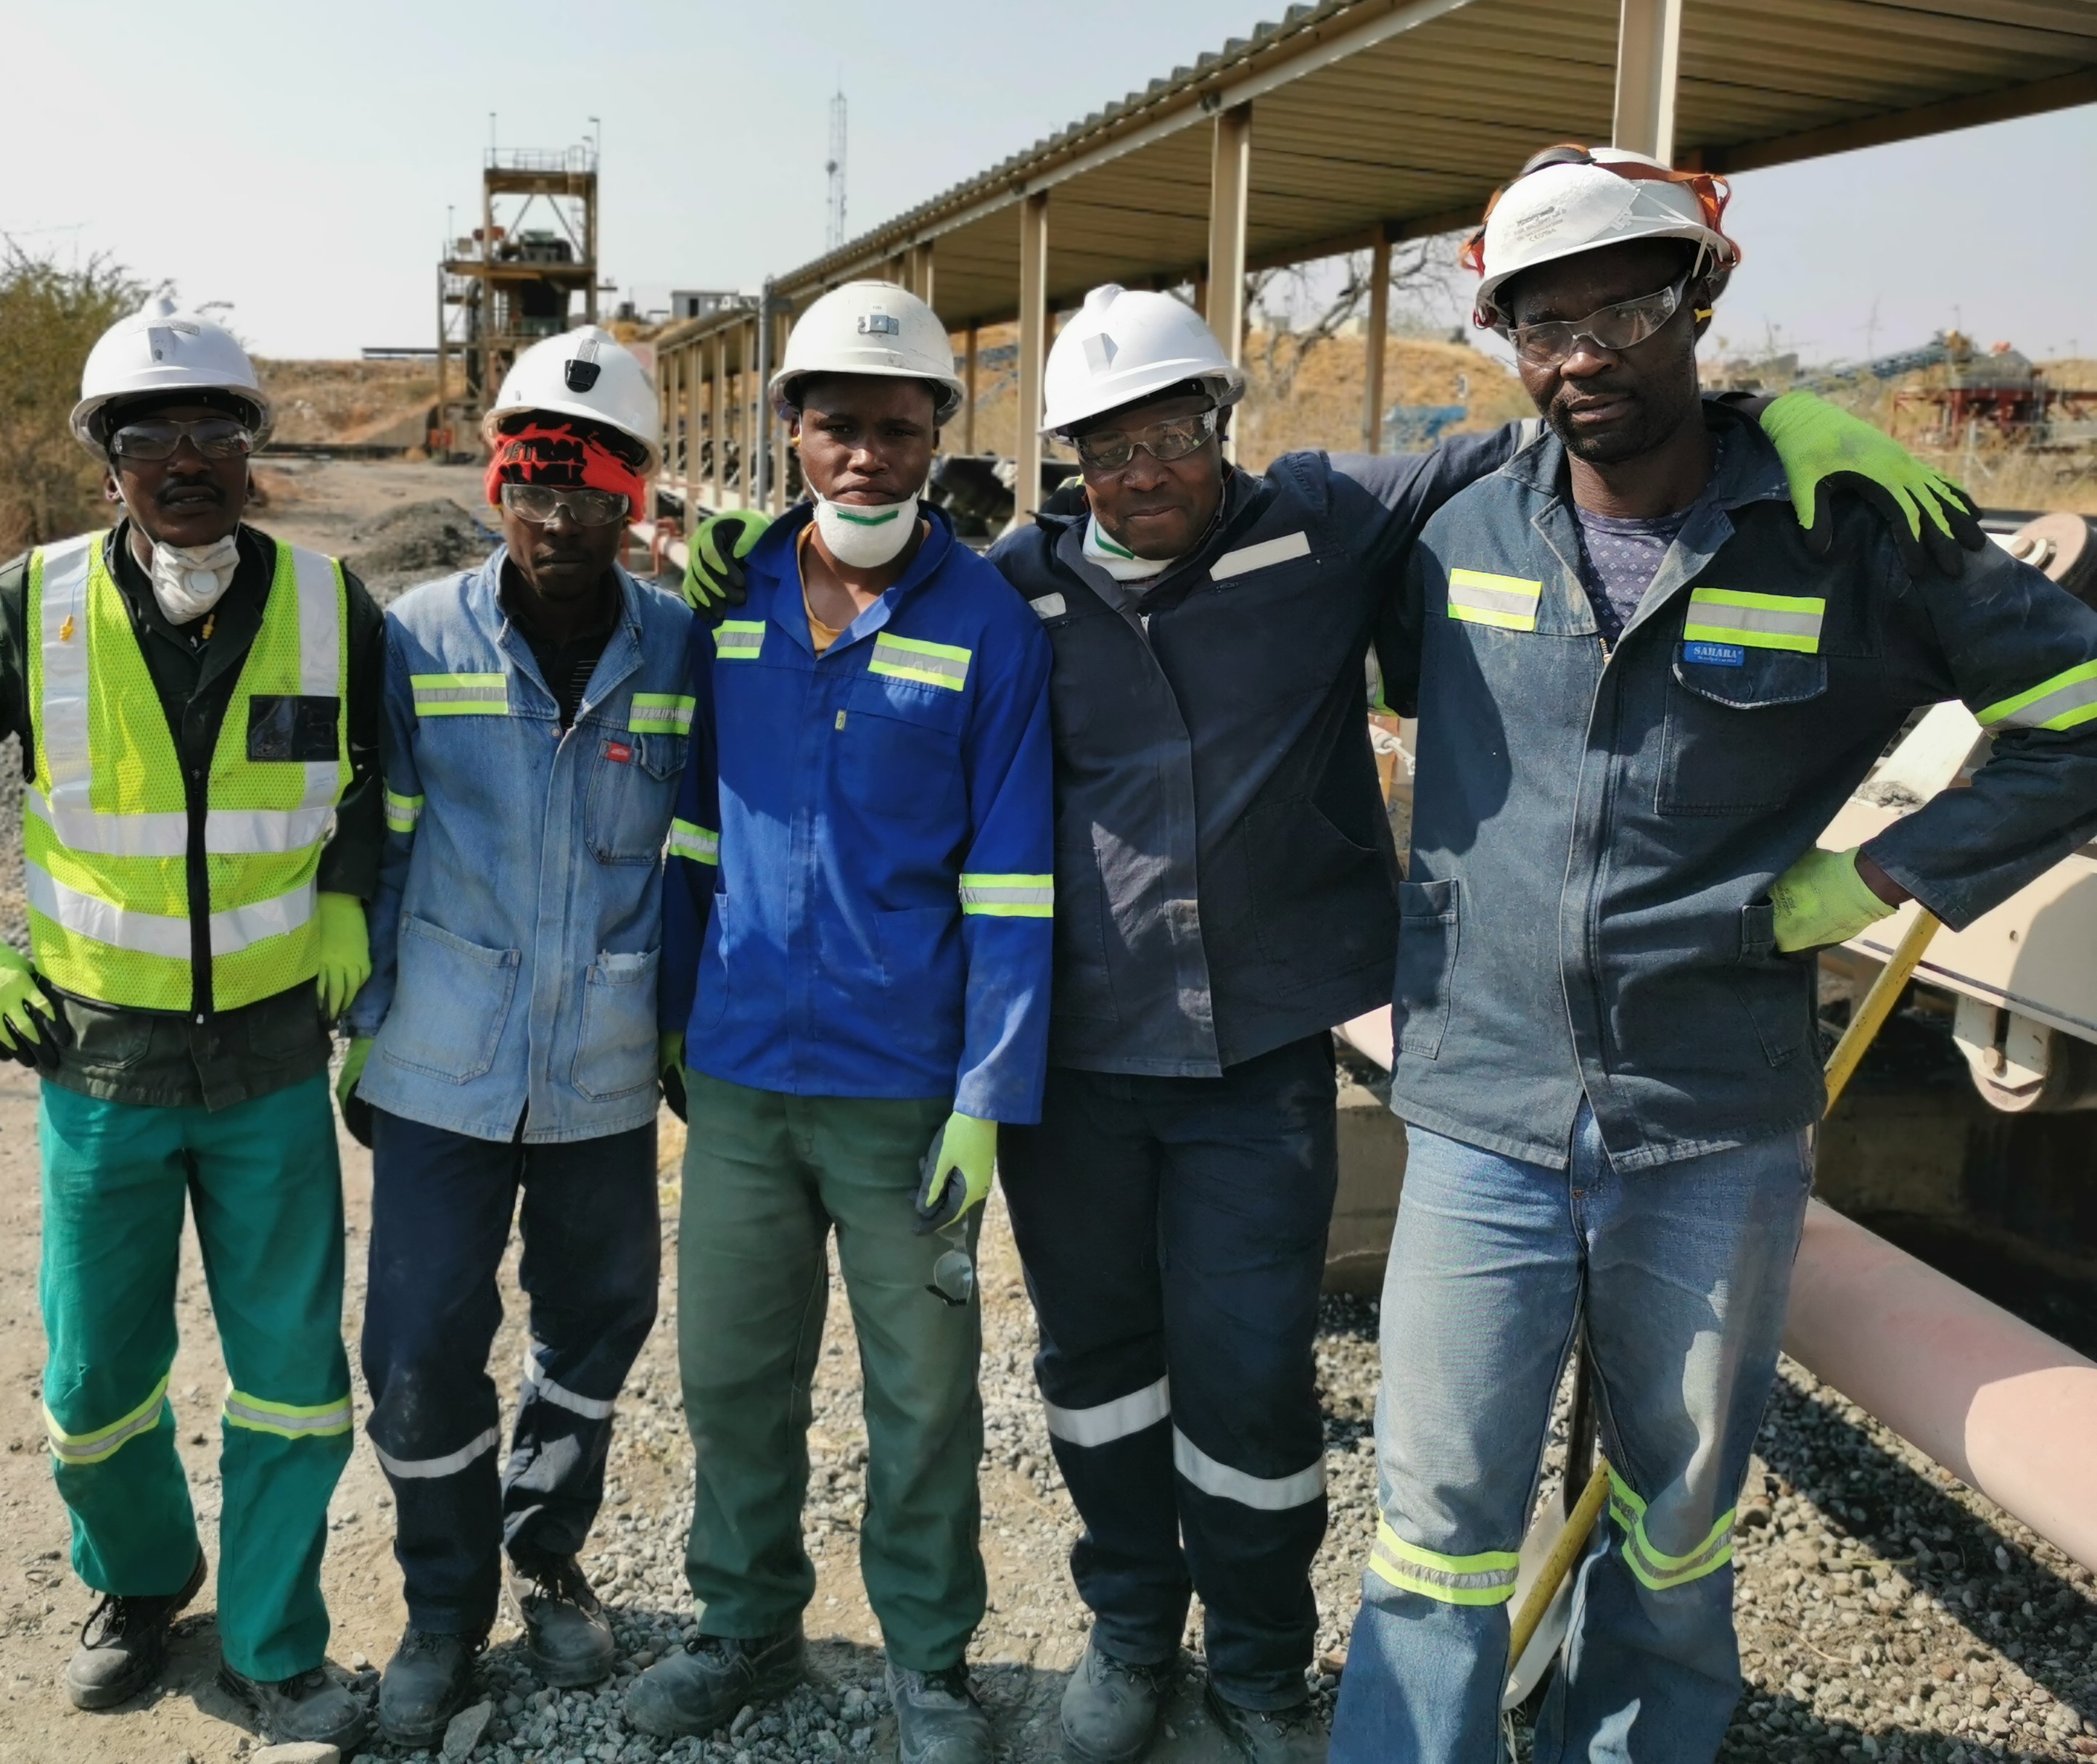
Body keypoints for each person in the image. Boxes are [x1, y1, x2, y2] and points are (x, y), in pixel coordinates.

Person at [690, 268, 1972, 1764]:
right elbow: (855, 596)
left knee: (1246, 1376)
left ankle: (1254, 1661)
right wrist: (752, 546)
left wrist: (1764, 416)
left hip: (1257, 1060)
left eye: (1172, 428)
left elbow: (1554, 425)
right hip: (1077, 1067)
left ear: (1220, 421)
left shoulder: (1322, 525)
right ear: (1065, 462)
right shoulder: (1019, 587)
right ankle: (1125, 1635)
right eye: (1106, 444)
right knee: (1096, 1374)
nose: (1143, 469)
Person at [1331, 147, 2097, 1764]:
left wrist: (1881, 874)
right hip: (1480, 1109)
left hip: (1713, 1121)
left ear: (1700, 301)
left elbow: (2076, 717)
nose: (1585, 353)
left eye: (1622, 307)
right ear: (1509, 343)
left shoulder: (1850, 529)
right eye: (1543, 323)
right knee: (1433, 1528)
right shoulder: (1459, 519)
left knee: (1678, 1526)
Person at [0, 296, 382, 1748]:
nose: (186, 459)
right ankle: (141, 1582)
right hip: (99, 1060)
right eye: (147, 433)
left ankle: (279, 1643)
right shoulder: (26, 607)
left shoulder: (333, 608)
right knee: (97, 1373)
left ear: (253, 450)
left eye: (215, 429)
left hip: (277, 1062)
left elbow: (380, 788)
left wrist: (348, 892)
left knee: (292, 1379)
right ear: (105, 456)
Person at [625, 281, 1055, 1764]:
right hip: (741, 1079)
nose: (864, 455)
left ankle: (929, 1663)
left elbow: (1012, 876)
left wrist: (989, 1090)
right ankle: (743, 1623)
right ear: (790, 432)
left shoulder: (989, 624)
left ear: (938, 432)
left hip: (907, 1093)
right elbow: (687, 824)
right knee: (732, 1375)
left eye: (895, 426)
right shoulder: (727, 602)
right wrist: (676, 1019)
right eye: (835, 426)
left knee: (926, 1396)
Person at [339, 327, 692, 1749]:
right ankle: (442, 1603)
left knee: (598, 1320)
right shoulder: (415, 636)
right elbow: (357, 838)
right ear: (497, 487)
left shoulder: (682, 645)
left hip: (603, 1062)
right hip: (442, 1055)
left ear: (636, 502)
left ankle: (544, 1553)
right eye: (534, 486)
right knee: (419, 1342)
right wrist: (354, 1016)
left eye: (592, 492)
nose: (559, 518)